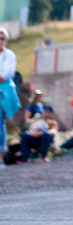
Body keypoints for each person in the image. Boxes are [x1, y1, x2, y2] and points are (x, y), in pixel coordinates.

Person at [0, 26, 20, 169]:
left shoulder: (9, 55)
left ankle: (0, 157)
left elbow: (5, 75)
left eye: (2, 38)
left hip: (3, 93)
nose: (0, 41)